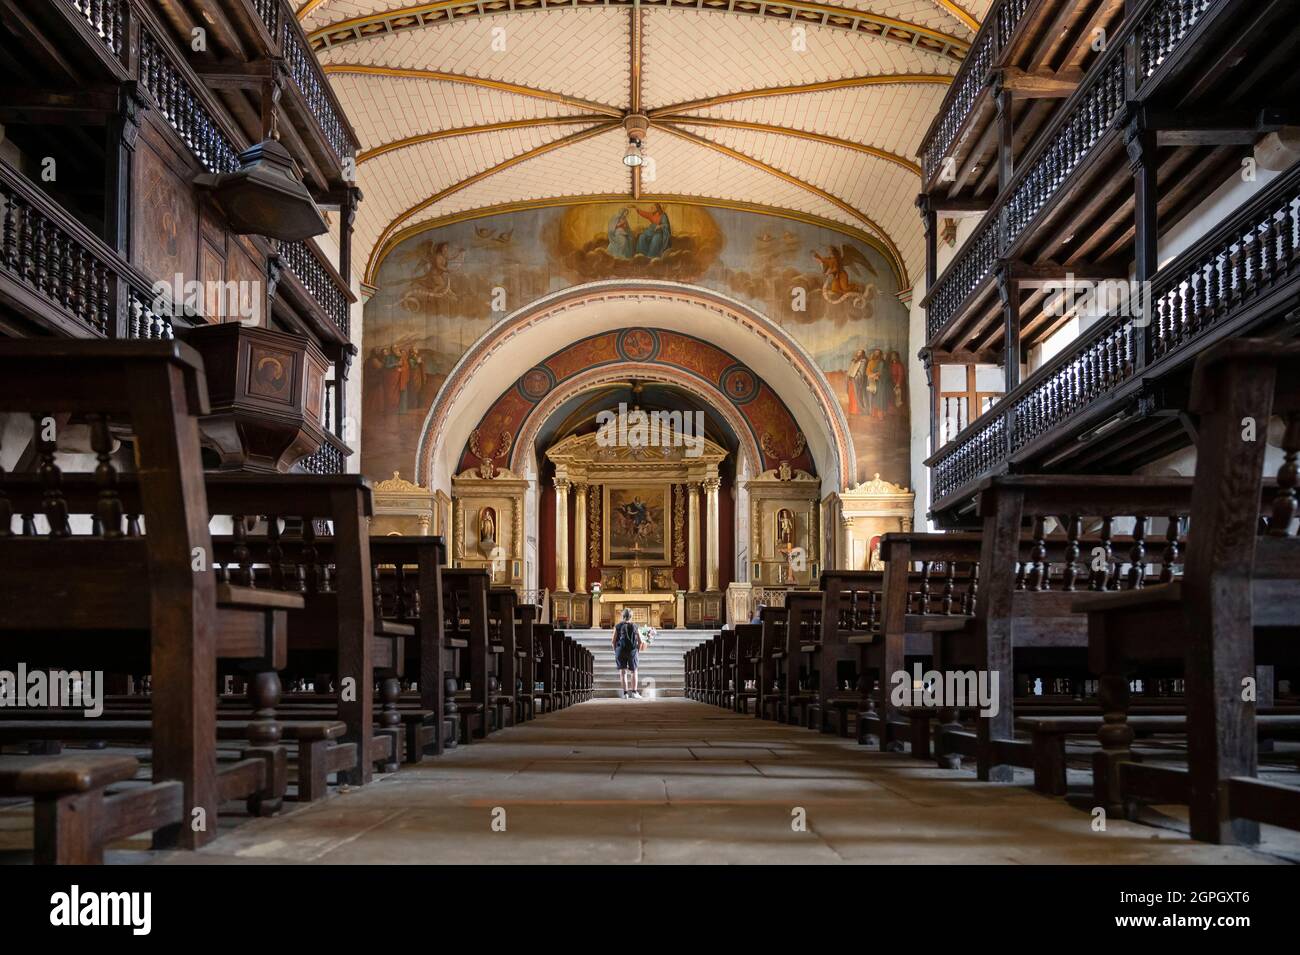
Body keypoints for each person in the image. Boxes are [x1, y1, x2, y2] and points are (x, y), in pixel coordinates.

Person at [612, 608, 642, 699]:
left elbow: (613, 641)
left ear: (622, 616)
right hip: (632, 651)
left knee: (623, 672)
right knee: (634, 671)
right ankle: (634, 692)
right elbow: (640, 642)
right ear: (631, 616)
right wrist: (637, 652)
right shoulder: (635, 626)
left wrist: (616, 651)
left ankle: (625, 694)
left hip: (620, 650)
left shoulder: (618, 626)